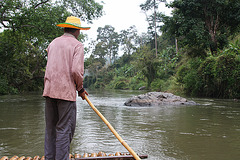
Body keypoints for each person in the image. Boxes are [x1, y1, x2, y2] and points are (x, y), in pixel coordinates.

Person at [42, 16, 90, 160]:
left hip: (49, 91)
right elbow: (76, 71)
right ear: (78, 31)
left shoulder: (53, 43)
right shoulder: (77, 45)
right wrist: (80, 89)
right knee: (64, 129)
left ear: (64, 28)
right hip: (65, 93)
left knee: (50, 130)